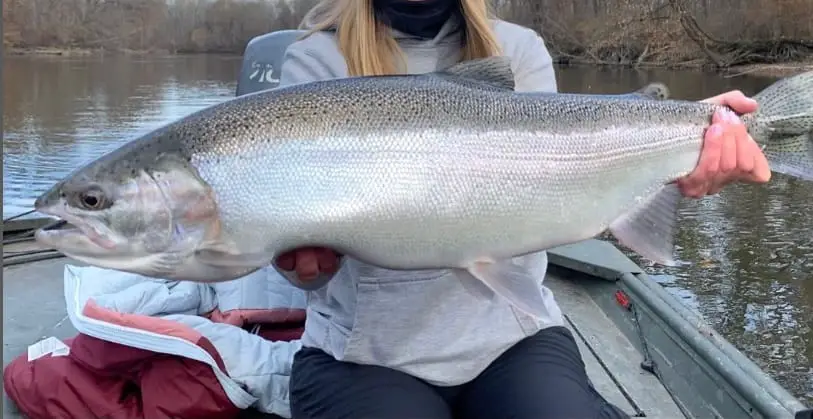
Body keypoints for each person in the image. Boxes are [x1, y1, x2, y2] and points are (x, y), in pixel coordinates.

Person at [274, 0, 772, 418]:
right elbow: (306, 271)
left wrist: (696, 134)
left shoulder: (517, 48)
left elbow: (562, 169)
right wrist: (304, 264)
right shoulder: (317, 60)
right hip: (364, 354)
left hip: (512, 337)